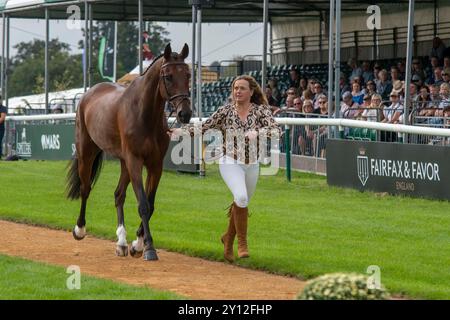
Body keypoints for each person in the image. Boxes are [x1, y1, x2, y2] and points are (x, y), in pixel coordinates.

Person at [169, 75, 280, 262]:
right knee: (242, 197)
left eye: (242, 88)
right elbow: (204, 127)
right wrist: (181, 131)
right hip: (230, 161)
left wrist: (259, 132)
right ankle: (242, 243)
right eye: (235, 88)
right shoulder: (225, 111)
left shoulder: (261, 111)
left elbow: (276, 130)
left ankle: (228, 238)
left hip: (252, 164)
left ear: (251, 91)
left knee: (240, 202)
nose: (238, 91)